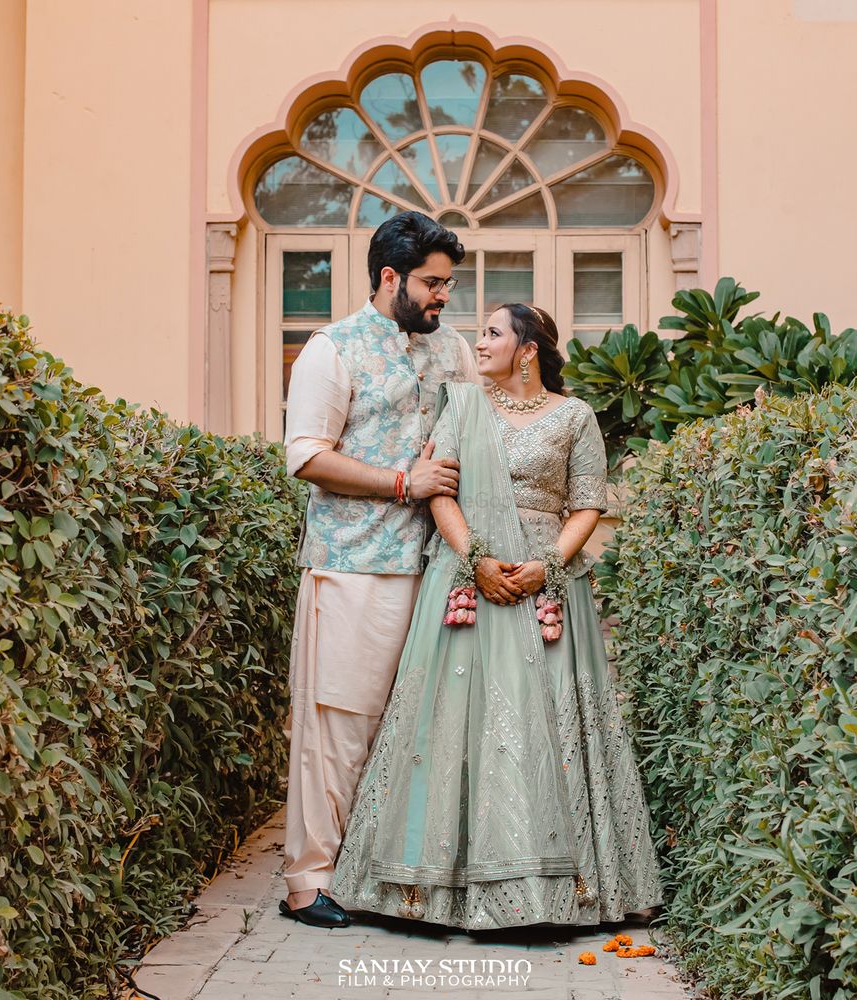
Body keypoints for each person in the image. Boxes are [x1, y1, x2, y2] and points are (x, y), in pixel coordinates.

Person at [331, 304, 662, 929]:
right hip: (466, 584)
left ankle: (565, 892)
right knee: (457, 722)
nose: (477, 343)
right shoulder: (463, 406)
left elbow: (586, 505)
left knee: (549, 722)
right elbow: (441, 492)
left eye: (491, 333)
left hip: (545, 586)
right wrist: (475, 558)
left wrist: (547, 566)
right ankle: (433, 891)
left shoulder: (574, 416)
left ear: (528, 348)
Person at [278, 212, 481, 929]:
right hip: (354, 566)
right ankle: (309, 883)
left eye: (447, 284)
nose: (442, 297)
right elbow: (305, 455)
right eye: (431, 283)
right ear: (389, 277)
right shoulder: (330, 350)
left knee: (420, 726)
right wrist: (404, 485)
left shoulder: (451, 350)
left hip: (437, 568)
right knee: (341, 726)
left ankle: (384, 875)